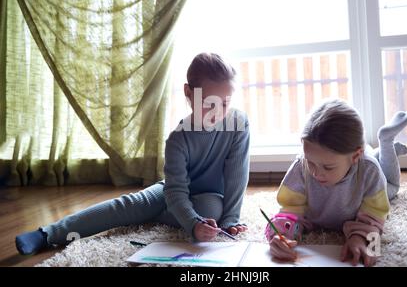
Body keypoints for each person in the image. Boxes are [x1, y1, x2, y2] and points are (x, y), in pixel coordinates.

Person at [16, 53, 250, 255]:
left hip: (210, 197)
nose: (219, 112)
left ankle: (159, 213)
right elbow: (176, 189)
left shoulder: (239, 124)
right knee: (130, 204)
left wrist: (230, 220)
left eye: (226, 103)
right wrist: (192, 223)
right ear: (189, 93)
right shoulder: (178, 139)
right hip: (173, 190)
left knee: (211, 210)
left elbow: (236, 176)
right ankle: (47, 234)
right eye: (210, 104)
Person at [265, 99, 407, 267]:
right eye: (310, 162)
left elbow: (376, 216)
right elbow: (289, 210)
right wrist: (280, 235)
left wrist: (361, 238)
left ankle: (387, 144)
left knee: (392, 187)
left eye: (328, 167)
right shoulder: (301, 166)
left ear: (355, 156)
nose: (315, 173)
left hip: (368, 173)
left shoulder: (369, 171)